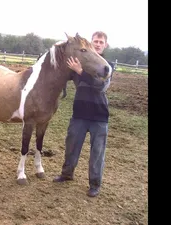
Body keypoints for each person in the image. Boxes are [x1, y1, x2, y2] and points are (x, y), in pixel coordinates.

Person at [53, 31, 115, 197]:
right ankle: (67, 174)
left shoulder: (107, 66)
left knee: (97, 153)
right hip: (79, 113)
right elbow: (59, 74)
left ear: (105, 45)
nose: (98, 44)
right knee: (71, 146)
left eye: (101, 42)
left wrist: (80, 72)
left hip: (99, 116)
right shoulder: (78, 64)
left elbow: (100, 86)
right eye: (95, 41)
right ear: (91, 43)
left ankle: (95, 184)